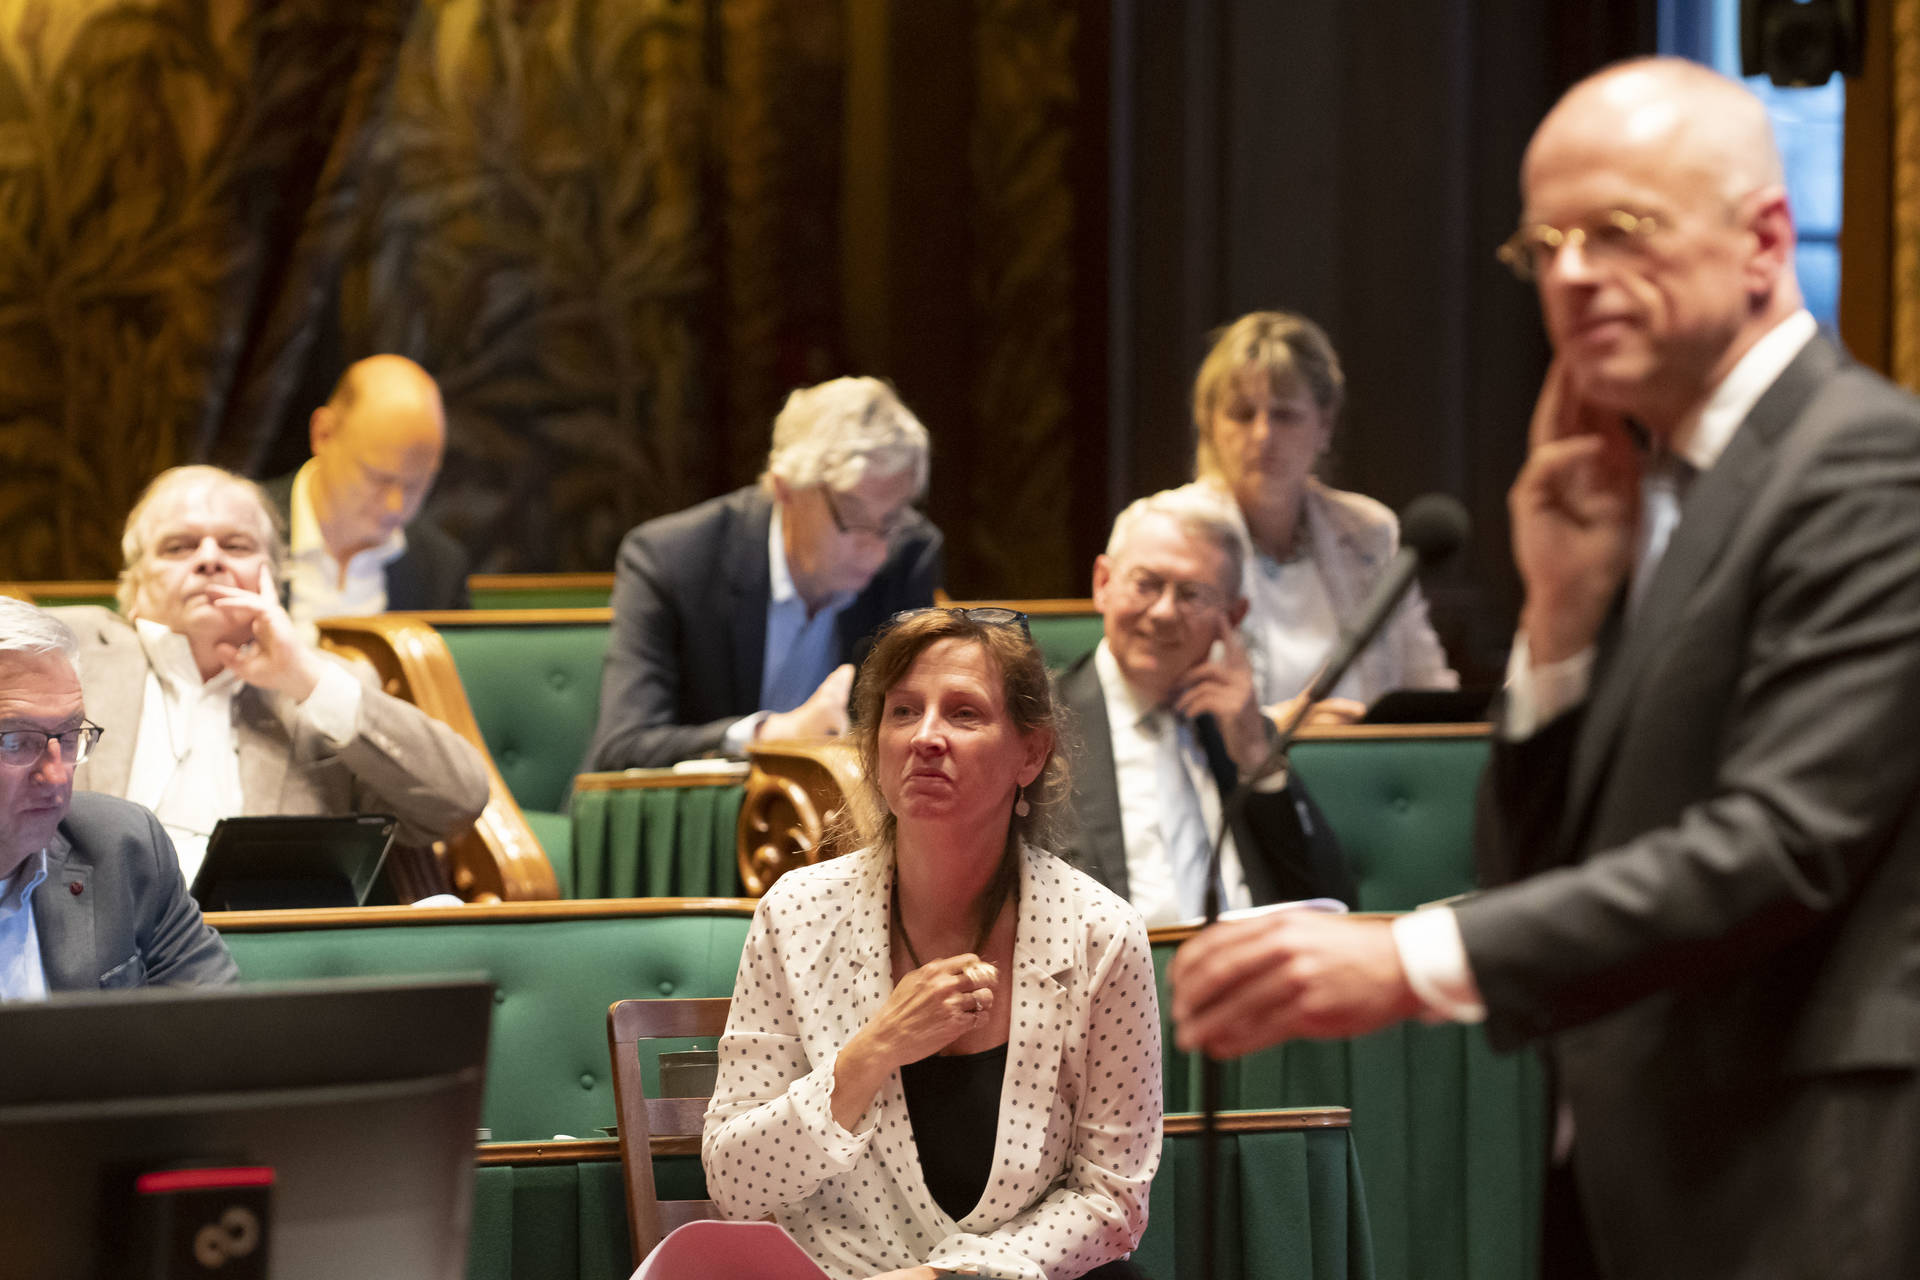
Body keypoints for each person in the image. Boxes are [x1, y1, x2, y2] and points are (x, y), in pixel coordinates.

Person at [1171, 58, 1920, 1279]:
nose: (1572, 273)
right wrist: (1563, 631)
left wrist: (1405, 957)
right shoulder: (1648, 491)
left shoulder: (1865, 467)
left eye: (1621, 230)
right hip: (1647, 1169)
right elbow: (1565, 865)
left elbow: (1786, 840)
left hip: (1807, 1166)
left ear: (1764, 238)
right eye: (1546, 244)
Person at [702, 608, 1160, 1280]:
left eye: (964, 713)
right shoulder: (794, 916)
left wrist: (955, 1278)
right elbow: (736, 1183)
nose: (926, 737)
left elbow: (1112, 1200)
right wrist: (873, 1051)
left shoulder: (1101, 935)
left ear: (1030, 752)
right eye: (903, 711)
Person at [54, 466, 490, 884]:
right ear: (135, 585)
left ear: (274, 579)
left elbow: (459, 802)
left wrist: (303, 677)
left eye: (237, 546)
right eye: (179, 547)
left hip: (257, 940)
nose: (209, 560)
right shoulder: (63, 651)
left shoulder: (323, 689)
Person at [585, 376, 942, 770]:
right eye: (853, 516)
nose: (875, 546)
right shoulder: (672, 560)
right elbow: (621, 749)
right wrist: (769, 736)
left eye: (890, 520)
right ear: (785, 489)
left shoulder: (908, 555)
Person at [1059, 488, 1351, 924]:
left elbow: (1326, 901)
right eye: (1146, 584)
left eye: (1192, 594)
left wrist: (1257, 758)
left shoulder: (1240, 729)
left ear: (1232, 617)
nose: (1162, 612)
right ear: (1103, 584)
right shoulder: (1039, 722)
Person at [1182, 311, 1457, 723]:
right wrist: (1281, 728)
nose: (1263, 435)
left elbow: (1427, 685)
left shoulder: (1369, 531)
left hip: (1368, 773)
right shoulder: (1166, 532)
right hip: (1233, 779)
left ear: (1324, 424)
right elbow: (1157, 716)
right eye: (1242, 414)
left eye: (1284, 415)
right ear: (1209, 425)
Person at [1, 596, 236, 997]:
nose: (58, 774)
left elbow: (215, 1030)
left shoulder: (125, 848)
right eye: (18, 741)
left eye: (71, 736)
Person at [261, 354, 470, 623]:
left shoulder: (439, 569)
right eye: (378, 478)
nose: (395, 505)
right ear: (323, 435)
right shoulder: (238, 530)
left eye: (416, 485)